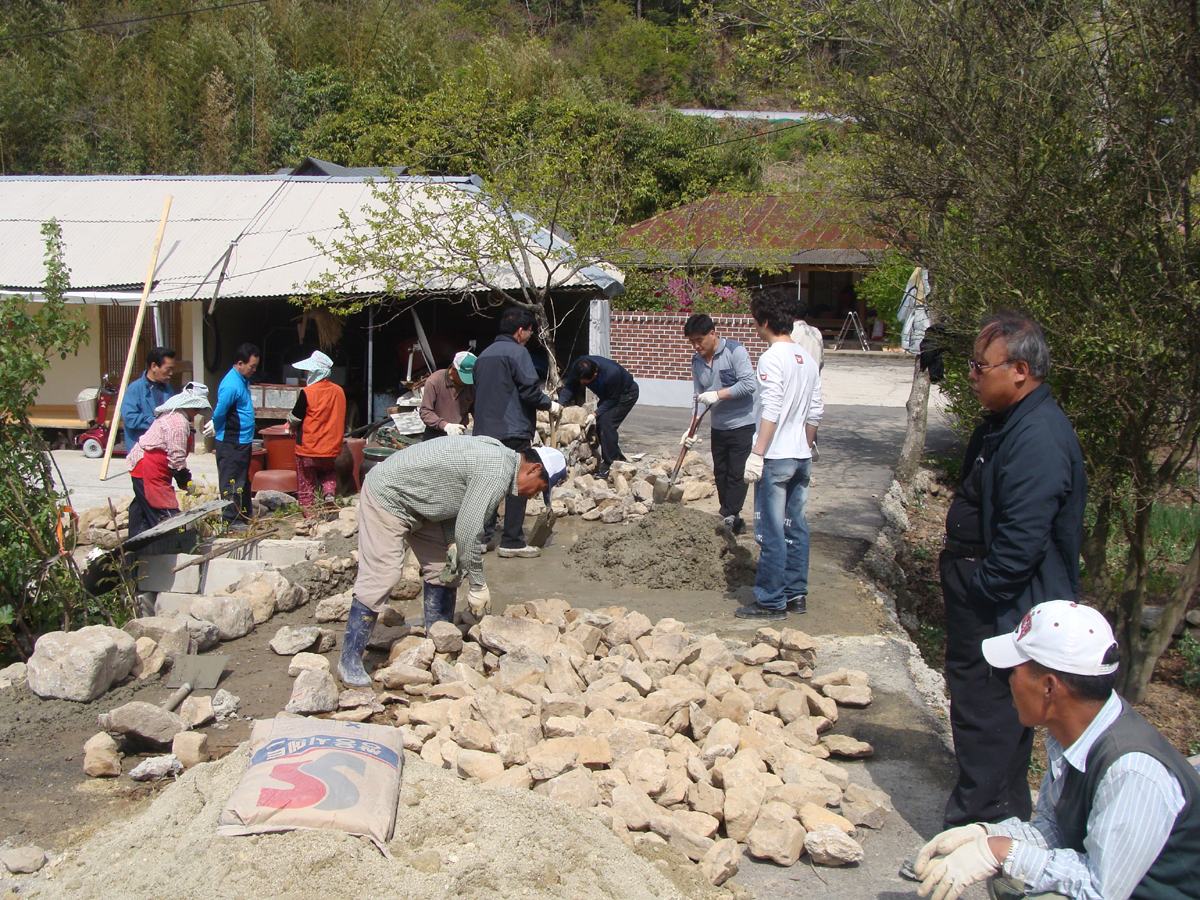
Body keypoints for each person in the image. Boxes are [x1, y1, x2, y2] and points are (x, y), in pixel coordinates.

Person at [914, 600, 1200, 900]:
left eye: (1014, 670)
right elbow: (1055, 828)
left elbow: (1100, 890)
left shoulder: (1132, 770)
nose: (1009, 680)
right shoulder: (1076, 737)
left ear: (1049, 687)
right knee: (1010, 878)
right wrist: (986, 835)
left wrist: (1001, 852)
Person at [939, 312, 1087, 830]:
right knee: (986, 714)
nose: (973, 376)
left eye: (982, 367)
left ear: (1019, 369)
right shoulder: (1005, 425)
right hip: (984, 598)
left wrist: (980, 593)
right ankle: (999, 818)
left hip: (1003, 605)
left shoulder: (1038, 437)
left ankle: (977, 829)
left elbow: (1022, 540)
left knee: (991, 716)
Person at [337, 439, 567, 687]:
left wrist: (451, 542)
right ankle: (349, 660)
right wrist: (478, 584)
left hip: (422, 503)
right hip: (390, 496)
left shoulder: (501, 460)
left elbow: (451, 497)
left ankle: (438, 643)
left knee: (445, 569)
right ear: (532, 469)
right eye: (539, 488)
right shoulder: (496, 471)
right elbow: (469, 533)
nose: (533, 495)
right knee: (383, 575)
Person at [739, 290, 822, 620]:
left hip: (776, 457)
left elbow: (771, 409)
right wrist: (807, 446)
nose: (756, 328)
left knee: (771, 530)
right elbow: (815, 411)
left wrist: (757, 453)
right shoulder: (807, 359)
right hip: (801, 455)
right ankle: (795, 594)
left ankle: (771, 601)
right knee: (796, 528)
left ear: (768, 322)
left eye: (757, 323)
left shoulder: (772, 358)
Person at [472, 307, 560, 558]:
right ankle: (512, 541)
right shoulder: (518, 352)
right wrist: (549, 404)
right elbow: (529, 392)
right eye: (529, 332)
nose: (529, 337)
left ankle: (482, 537)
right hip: (512, 429)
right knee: (517, 483)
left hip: (484, 433)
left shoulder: (483, 356)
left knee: (487, 483)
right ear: (520, 331)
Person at [681, 314, 757, 534]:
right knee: (721, 472)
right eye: (692, 342)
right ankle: (732, 518)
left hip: (742, 423)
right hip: (719, 426)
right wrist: (691, 427)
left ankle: (729, 516)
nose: (696, 346)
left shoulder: (735, 352)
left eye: (699, 340)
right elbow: (698, 396)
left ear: (712, 334)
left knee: (736, 473)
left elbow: (748, 384)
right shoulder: (697, 361)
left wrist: (718, 395)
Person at [126, 382, 209, 547]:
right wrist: (185, 481)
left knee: (142, 508)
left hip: (151, 465)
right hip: (147, 466)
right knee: (162, 513)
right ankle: (162, 548)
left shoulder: (174, 416)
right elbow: (176, 460)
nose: (198, 413)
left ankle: (137, 548)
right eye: (197, 409)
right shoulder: (178, 424)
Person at [556, 355, 639, 479]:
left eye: (585, 382)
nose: (582, 383)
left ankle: (611, 464)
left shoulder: (611, 373)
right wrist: (559, 405)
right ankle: (617, 458)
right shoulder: (578, 367)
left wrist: (594, 414)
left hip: (625, 394)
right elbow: (569, 386)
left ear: (595, 375)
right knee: (602, 423)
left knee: (606, 423)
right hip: (608, 395)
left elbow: (612, 400)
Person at [207, 343, 260, 532]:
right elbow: (221, 410)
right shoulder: (231, 385)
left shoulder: (242, 380)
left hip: (242, 441)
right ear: (240, 363)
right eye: (251, 366)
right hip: (231, 441)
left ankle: (244, 513)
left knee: (242, 479)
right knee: (231, 480)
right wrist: (214, 423)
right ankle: (231, 520)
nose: (253, 370)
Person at [286, 350, 346, 512]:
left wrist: (289, 422)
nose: (306, 374)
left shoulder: (307, 392)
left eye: (308, 371)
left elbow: (296, 417)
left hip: (308, 447)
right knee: (327, 473)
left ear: (314, 372)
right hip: (330, 448)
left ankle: (309, 515)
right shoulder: (339, 391)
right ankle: (328, 495)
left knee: (306, 483)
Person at [120, 347, 175, 449]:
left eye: (172, 369)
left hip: (163, 449)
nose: (171, 373)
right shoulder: (135, 388)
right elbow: (130, 417)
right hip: (141, 450)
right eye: (168, 369)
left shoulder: (168, 390)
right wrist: (157, 422)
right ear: (154, 366)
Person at [419, 351, 476, 440]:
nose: (467, 382)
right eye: (464, 377)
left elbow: (476, 410)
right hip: (435, 434)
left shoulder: (470, 386)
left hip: (459, 433)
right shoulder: (435, 381)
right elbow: (425, 412)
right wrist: (446, 426)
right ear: (454, 370)